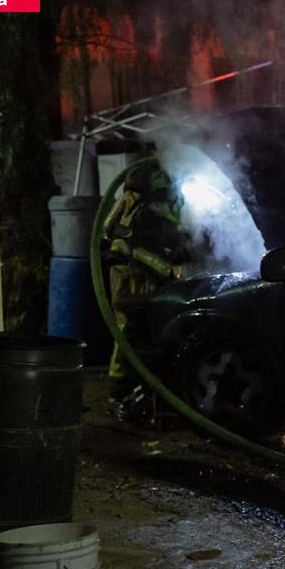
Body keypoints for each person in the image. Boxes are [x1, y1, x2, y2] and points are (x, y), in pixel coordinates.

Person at [103, 163, 189, 422]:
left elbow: (110, 228)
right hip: (134, 275)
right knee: (131, 332)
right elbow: (161, 245)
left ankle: (139, 392)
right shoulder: (154, 207)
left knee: (140, 332)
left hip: (133, 272)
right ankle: (120, 394)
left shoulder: (136, 201)